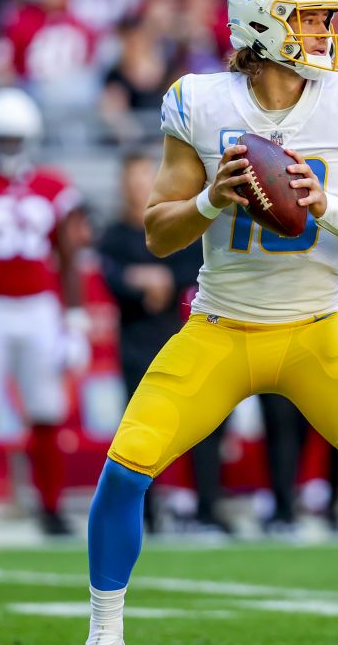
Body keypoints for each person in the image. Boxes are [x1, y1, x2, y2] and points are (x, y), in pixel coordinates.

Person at [84, 0, 338, 645]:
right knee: (124, 471)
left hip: (319, 324)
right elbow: (156, 230)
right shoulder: (201, 103)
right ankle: (104, 632)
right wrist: (211, 198)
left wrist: (325, 204)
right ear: (263, 27)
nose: (327, 32)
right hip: (222, 324)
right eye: (311, 19)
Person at [0, 88, 89, 537]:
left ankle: (49, 505)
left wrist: (75, 321)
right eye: (2, 139)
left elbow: (69, 256)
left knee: (46, 409)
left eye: (16, 139)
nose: (10, 148)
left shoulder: (53, 186)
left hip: (38, 308)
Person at [97, 152, 223, 533]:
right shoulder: (115, 234)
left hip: (180, 337)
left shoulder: (172, 223)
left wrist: (159, 280)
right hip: (136, 340)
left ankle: (207, 509)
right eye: (132, 181)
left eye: (143, 179)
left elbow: (191, 265)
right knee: (140, 430)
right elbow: (110, 276)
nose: (138, 188)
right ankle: (144, 514)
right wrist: (139, 286)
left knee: (201, 424)